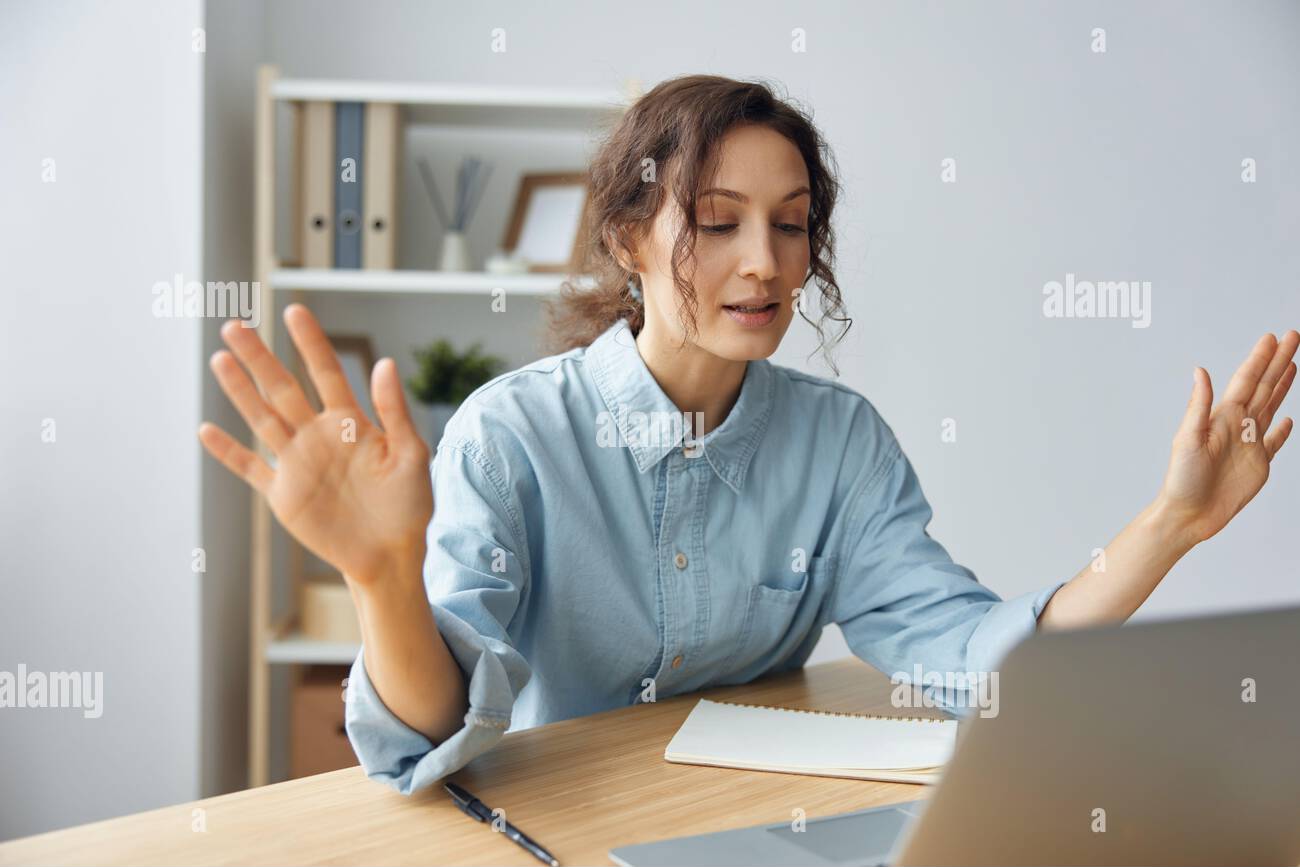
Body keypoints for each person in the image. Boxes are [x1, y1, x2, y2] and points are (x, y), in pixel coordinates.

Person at [199, 75, 1296, 795]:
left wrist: (1172, 523)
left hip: (759, 829)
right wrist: (383, 574)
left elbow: (973, 661)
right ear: (629, 238)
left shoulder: (839, 443)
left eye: (790, 224)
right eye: (716, 223)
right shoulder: (511, 435)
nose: (765, 263)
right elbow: (419, 741)